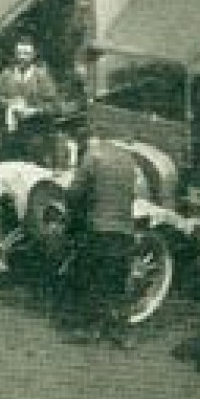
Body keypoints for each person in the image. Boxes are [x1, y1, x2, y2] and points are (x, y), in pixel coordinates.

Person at [63, 123, 144, 348]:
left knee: (92, 279)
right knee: (118, 280)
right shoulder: (129, 160)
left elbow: (75, 192)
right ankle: (123, 332)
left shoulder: (93, 156)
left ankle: (92, 329)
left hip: (99, 228)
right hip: (124, 230)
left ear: (98, 138)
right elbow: (133, 194)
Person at [0, 39, 59, 161]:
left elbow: (53, 105)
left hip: (34, 133)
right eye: (20, 53)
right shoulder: (6, 75)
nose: (22, 57)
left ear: (33, 56)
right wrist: (8, 103)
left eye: (26, 54)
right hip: (9, 133)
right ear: (15, 55)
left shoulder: (41, 77)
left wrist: (34, 111)